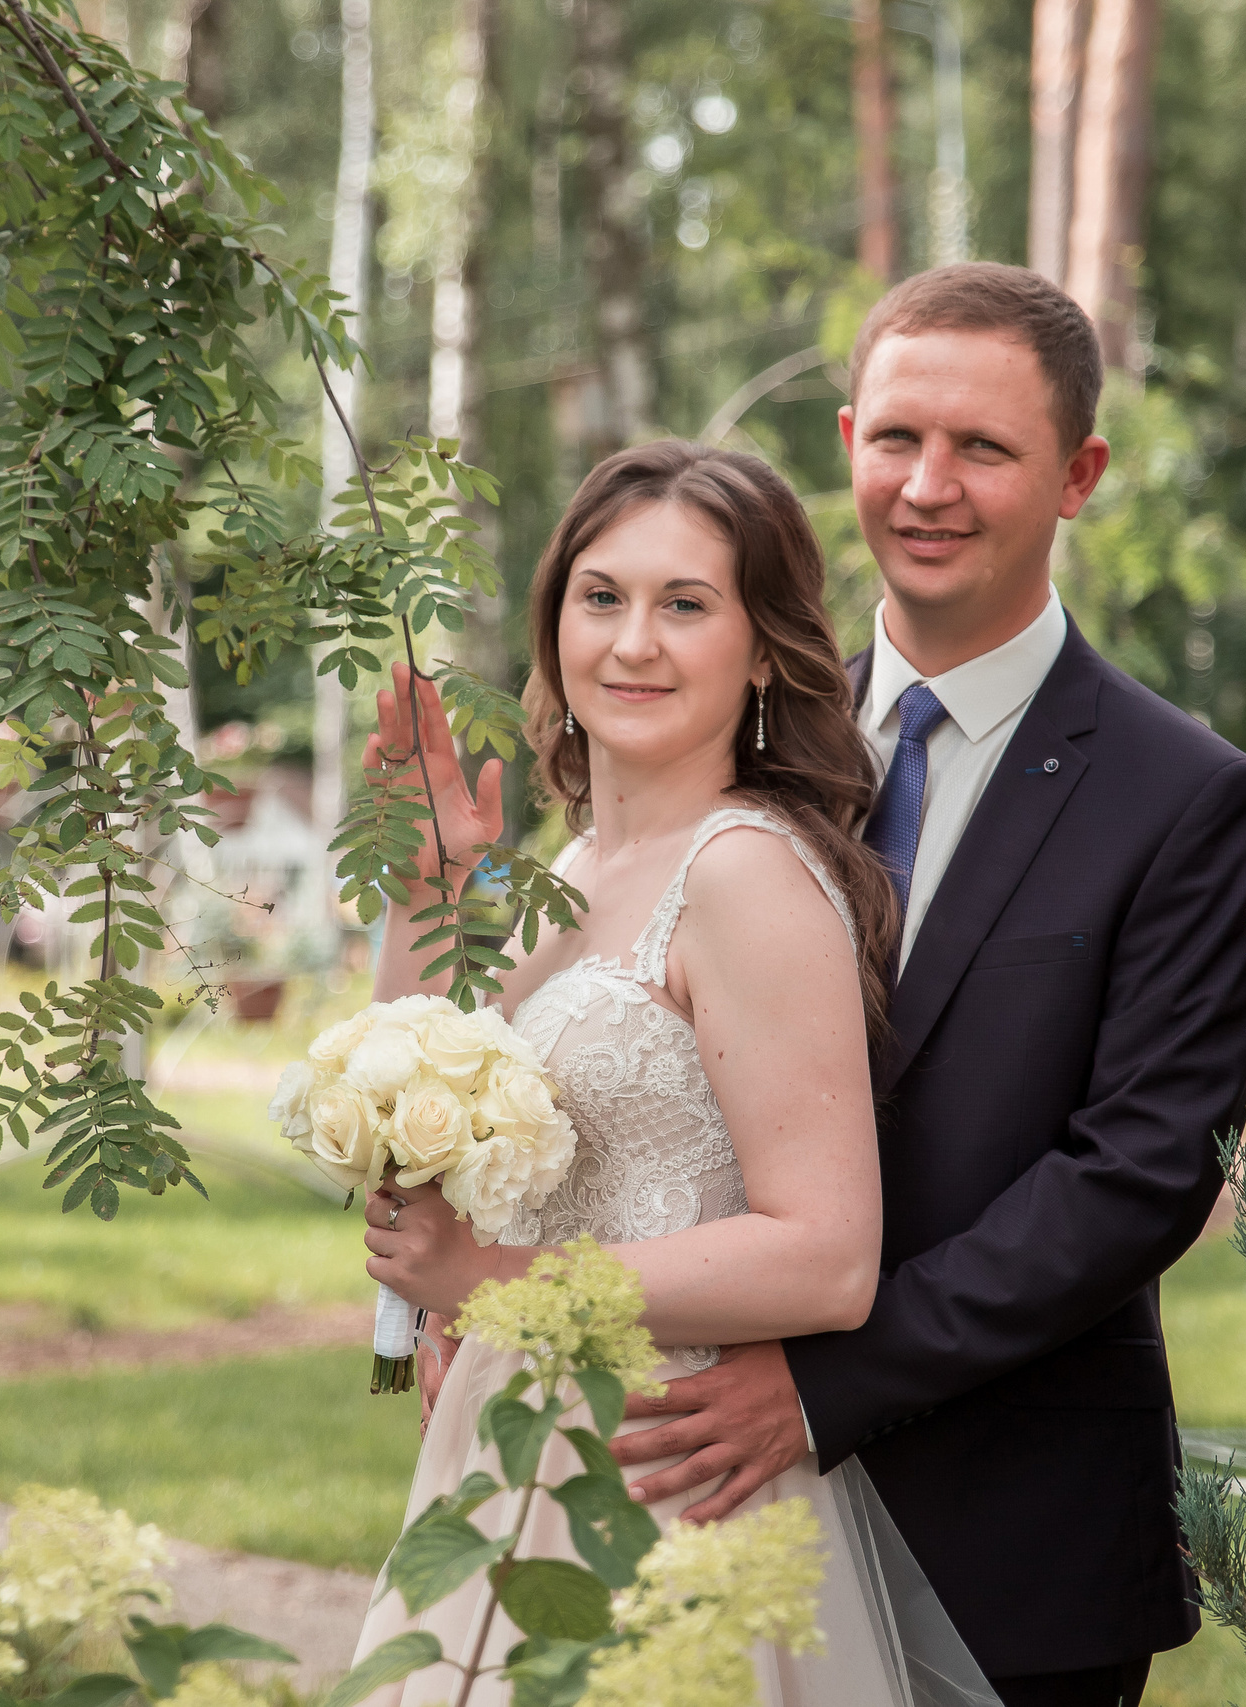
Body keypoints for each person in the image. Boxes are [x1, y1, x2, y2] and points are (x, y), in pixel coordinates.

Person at [602, 265, 1246, 1707]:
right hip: (704, 1510)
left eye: (984, 447)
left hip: (1017, 1535)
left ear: (1079, 475)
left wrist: (820, 1389)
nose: (930, 484)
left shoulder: (1191, 798)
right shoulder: (745, 758)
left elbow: (1140, 1172)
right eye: (898, 438)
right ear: (848, 439)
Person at [350, 441, 999, 1706]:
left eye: (684, 604)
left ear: (763, 648)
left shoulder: (745, 873)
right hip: (511, 1447)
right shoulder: (568, 872)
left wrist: (483, 1283)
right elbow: (409, 1131)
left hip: (655, 1478)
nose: (632, 642)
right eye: (601, 597)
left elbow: (825, 1256)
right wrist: (427, 894)